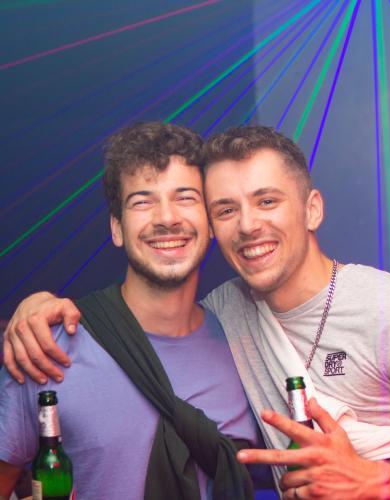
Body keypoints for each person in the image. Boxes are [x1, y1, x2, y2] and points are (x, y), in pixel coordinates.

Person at [4, 127, 390, 499]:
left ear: (312, 209)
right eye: (226, 209)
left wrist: (374, 481)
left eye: (267, 201)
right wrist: (33, 307)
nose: (247, 225)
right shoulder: (223, 317)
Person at [0, 122, 261, 500]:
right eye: (142, 201)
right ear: (117, 228)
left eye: (185, 197)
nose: (167, 217)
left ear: (210, 223)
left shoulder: (246, 343)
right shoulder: (45, 348)